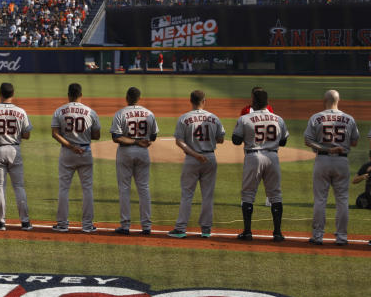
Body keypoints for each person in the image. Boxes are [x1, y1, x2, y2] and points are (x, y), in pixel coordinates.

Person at [231, 88, 289, 241]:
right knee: (275, 194)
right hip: (272, 157)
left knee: (248, 194)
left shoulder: (245, 119)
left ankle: (248, 232)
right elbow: (283, 141)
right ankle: (277, 233)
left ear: (254, 102)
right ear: (267, 102)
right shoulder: (279, 119)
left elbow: (236, 140)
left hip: (253, 157)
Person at [303, 90, 359, 245]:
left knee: (320, 200)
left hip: (322, 160)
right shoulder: (349, 118)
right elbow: (354, 142)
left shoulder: (316, 117)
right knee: (342, 200)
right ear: (338, 99)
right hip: (342, 162)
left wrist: (327, 148)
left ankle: (318, 236)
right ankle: (342, 238)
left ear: (324, 100)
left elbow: (308, 141)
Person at [168, 90, 225, 238]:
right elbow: (221, 139)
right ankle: (206, 230)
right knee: (208, 195)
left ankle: (180, 229)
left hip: (192, 159)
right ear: (204, 101)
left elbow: (179, 141)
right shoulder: (214, 118)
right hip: (210, 158)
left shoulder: (184, 118)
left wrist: (195, 154)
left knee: (187, 194)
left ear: (190, 101)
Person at [0, 82, 33, 231]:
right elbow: (27, 134)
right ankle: (25, 222)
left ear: (0, 94)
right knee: (19, 187)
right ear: (13, 94)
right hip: (15, 150)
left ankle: (0, 221)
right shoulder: (21, 112)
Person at [50, 82, 101, 233]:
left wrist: (71, 146)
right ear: (81, 95)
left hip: (67, 152)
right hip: (85, 151)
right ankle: (87, 225)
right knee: (87, 189)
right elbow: (97, 135)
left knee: (64, 188)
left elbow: (55, 133)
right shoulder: (90, 112)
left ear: (68, 95)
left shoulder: (60, 111)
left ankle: (62, 224)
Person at [110, 86, 158, 235]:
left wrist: (134, 142)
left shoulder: (121, 113)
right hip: (143, 152)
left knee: (124, 189)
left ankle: (125, 226)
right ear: (139, 98)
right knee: (144, 188)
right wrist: (141, 141)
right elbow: (153, 136)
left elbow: (116, 137)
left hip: (125, 152)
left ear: (127, 98)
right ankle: (146, 226)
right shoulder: (149, 113)